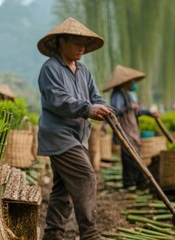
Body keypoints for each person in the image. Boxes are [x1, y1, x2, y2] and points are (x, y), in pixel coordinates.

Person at [36, 17, 112, 240]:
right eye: (77, 43)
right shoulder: (50, 69)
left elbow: (96, 97)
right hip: (60, 137)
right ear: (62, 42)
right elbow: (59, 100)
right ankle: (89, 233)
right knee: (86, 177)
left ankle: (53, 233)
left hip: (79, 137)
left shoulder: (83, 70)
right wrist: (88, 109)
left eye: (84, 44)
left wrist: (106, 110)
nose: (82, 48)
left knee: (63, 189)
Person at [102, 65, 159, 190]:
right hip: (125, 130)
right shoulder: (117, 94)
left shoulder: (127, 94)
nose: (132, 84)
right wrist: (129, 107)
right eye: (130, 82)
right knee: (129, 156)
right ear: (124, 82)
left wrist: (149, 113)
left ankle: (136, 181)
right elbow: (115, 111)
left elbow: (136, 112)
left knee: (134, 155)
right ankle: (131, 182)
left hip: (132, 130)